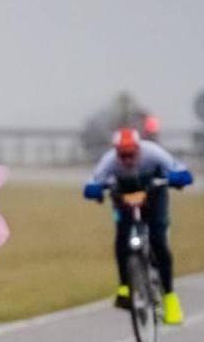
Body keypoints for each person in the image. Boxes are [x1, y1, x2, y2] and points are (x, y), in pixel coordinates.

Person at [82, 127, 193, 323]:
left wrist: (178, 178)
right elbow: (92, 182)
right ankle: (124, 286)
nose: (127, 160)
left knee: (158, 240)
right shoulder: (109, 161)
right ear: (116, 152)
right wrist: (94, 190)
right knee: (122, 237)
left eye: (131, 154)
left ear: (138, 149)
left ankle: (169, 298)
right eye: (122, 155)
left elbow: (180, 170)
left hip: (153, 194)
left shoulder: (153, 153)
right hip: (124, 197)